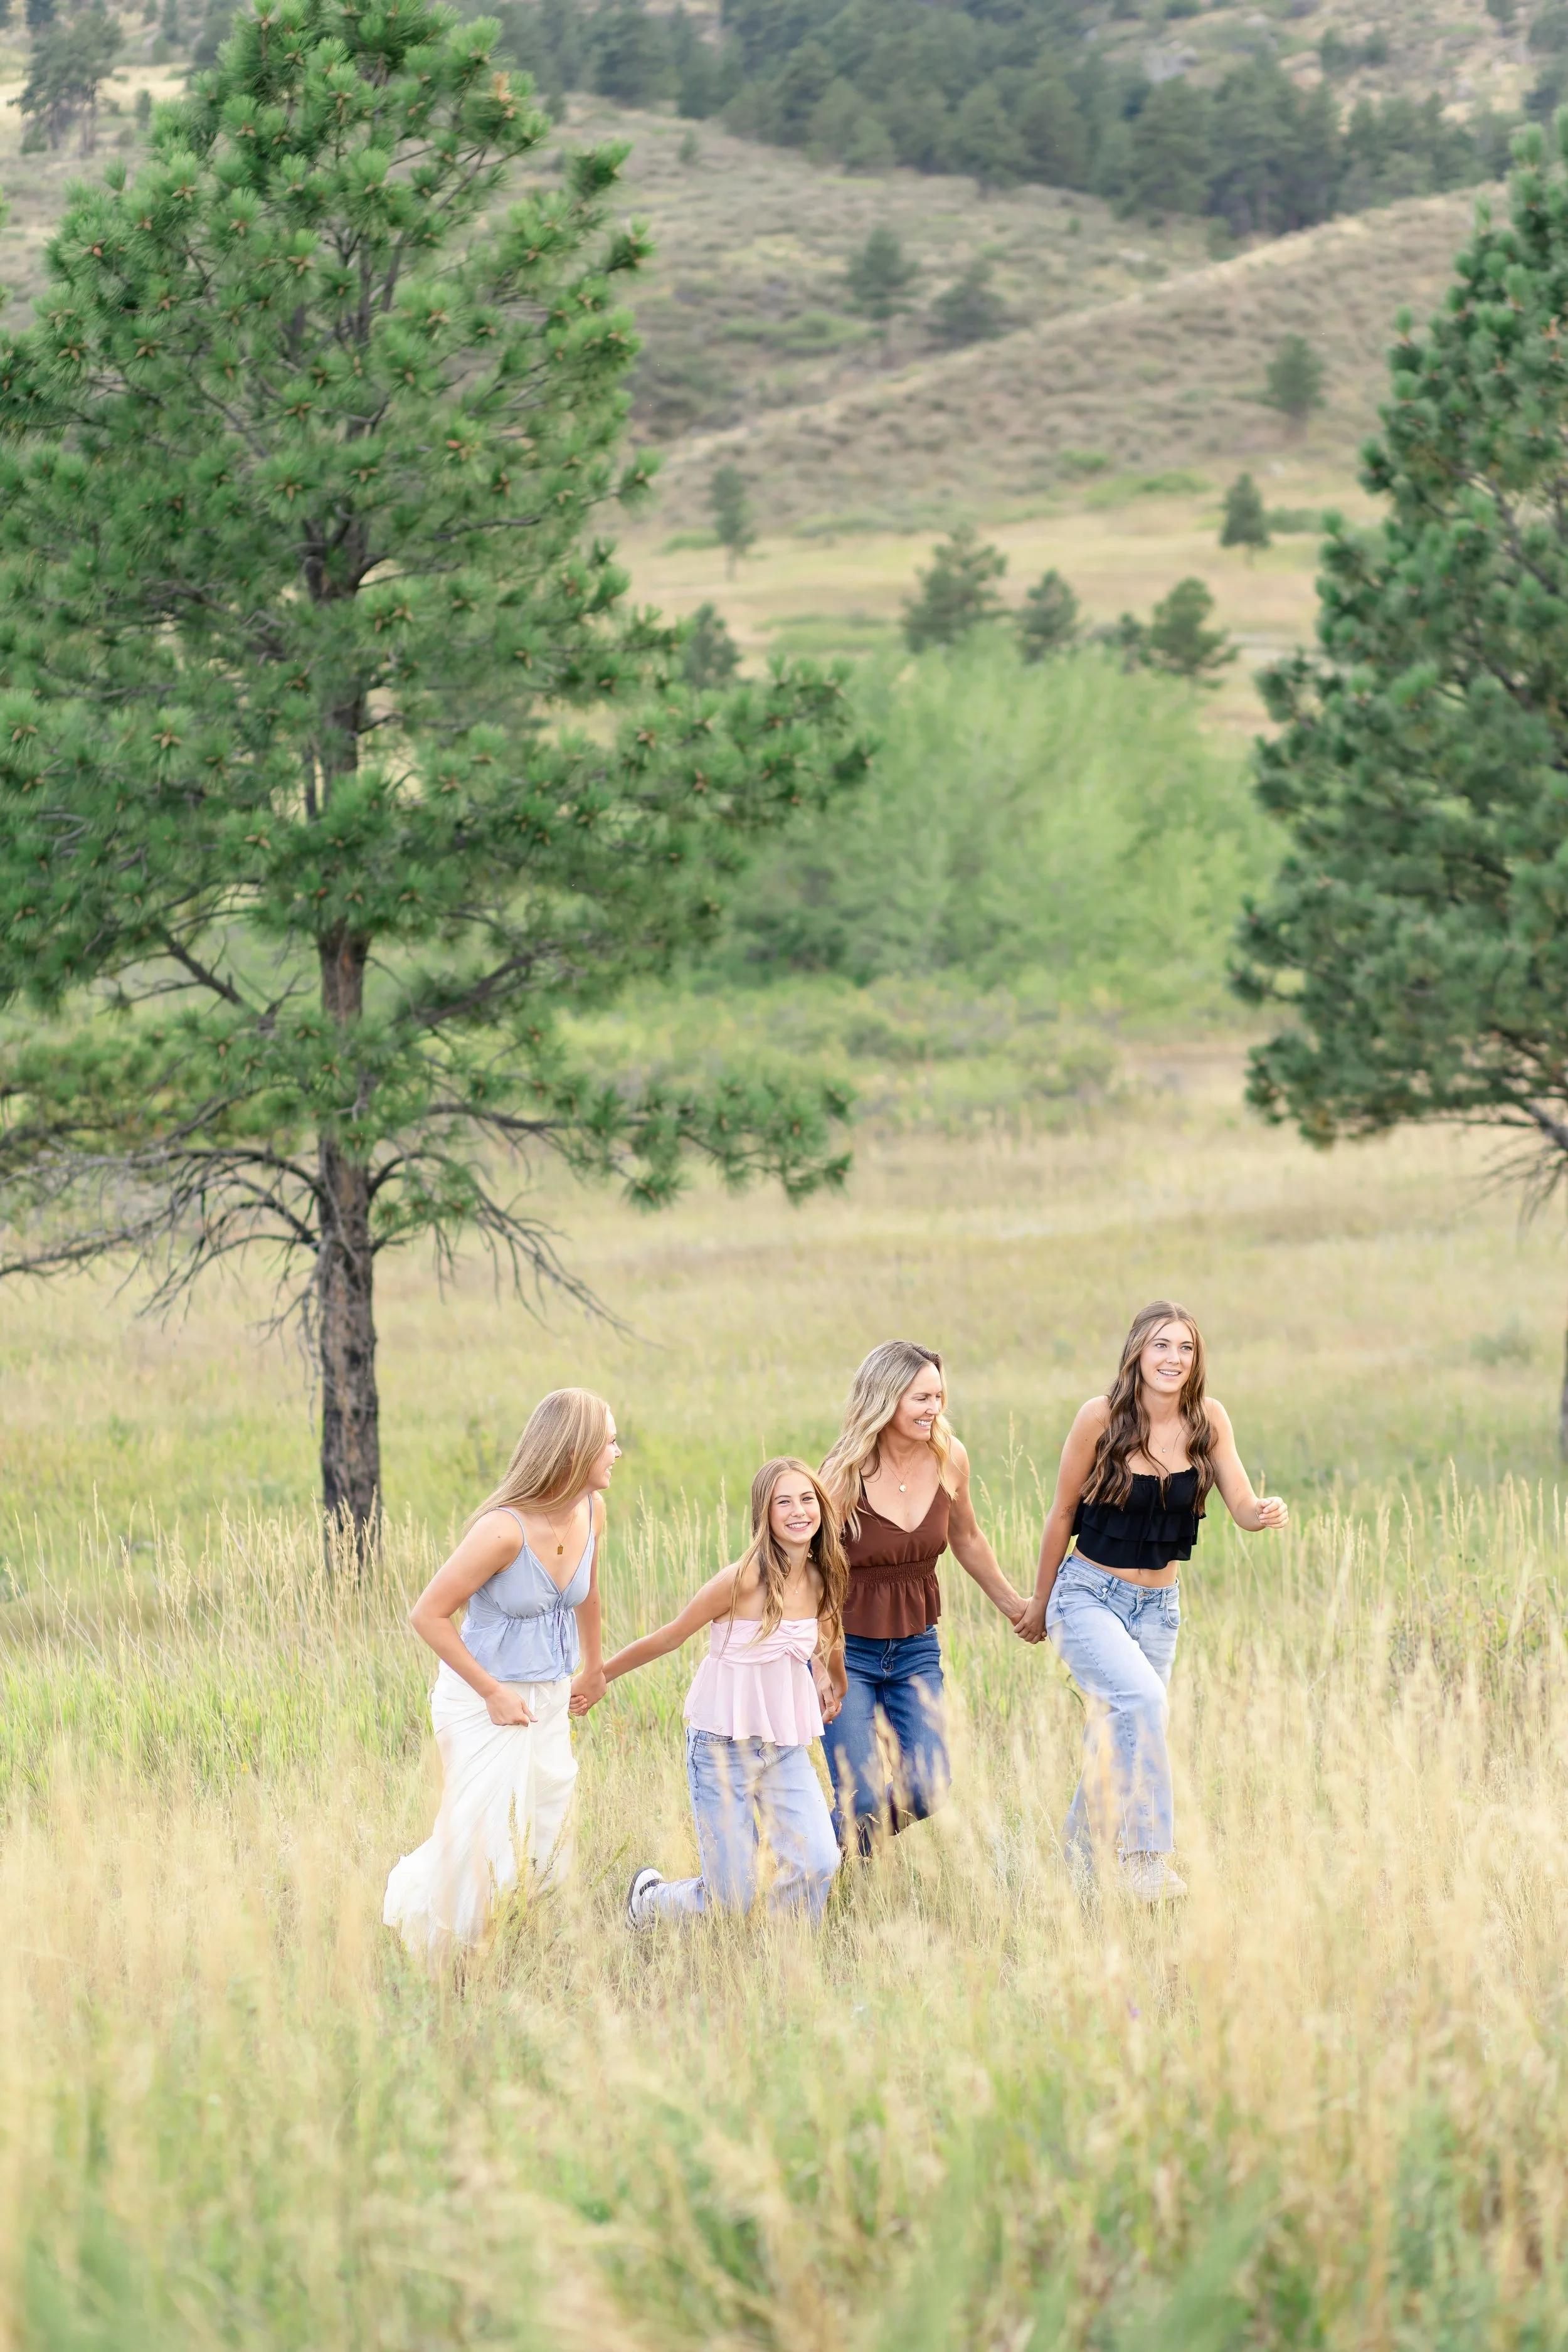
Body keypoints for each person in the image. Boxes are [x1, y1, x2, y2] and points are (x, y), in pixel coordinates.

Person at [1015, 1300, 1288, 1902]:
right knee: (1142, 1703)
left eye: (1186, 1348)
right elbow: (1062, 1513)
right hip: (1088, 1594)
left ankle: (1078, 1872)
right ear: (1138, 1351)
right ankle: (1147, 1860)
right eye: (1161, 1345)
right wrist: (1039, 1602)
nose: (1173, 1358)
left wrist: (1262, 1513)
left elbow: (1241, 1504)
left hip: (1160, 1608)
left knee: (1119, 1731)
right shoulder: (1100, 1417)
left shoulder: (1208, 1420)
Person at [383, 1387, 618, 1957]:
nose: (618, 1452)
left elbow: (586, 1596)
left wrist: (593, 1668)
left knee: (545, 1819)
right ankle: (446, 1954)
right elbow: (428, 1615)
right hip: (482, 1697)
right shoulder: (503, 1530)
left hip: (549, 1692)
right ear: (573, 1450)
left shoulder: (592, 1510)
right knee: (484, 1836)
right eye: (608, 1441)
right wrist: (491, 1692)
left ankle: (519, 1944)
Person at [575, 1457, 846, 1929]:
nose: (799, 1511)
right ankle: (649, 1901)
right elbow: (671, 1636)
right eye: (784, 1501)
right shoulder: (741, 1580)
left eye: (807, 1499)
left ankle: (784, 1955)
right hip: (720, 1748)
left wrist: (828, 1679)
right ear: (764, 1513)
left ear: (821, 1506)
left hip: (782, 1746)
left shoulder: (820, 1580)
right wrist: (600, 1675)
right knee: (731, 1899)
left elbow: (823, 1639)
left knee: (819, 1860)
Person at [817, 1340, 1024, 1857]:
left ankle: (816, 1850)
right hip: (849, 1653)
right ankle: (821, 1864)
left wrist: (1016, 1607)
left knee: (930, 1788)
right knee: (861, 1797)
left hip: (915, 1648)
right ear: (885, 1401)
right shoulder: (844, 1473)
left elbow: (968, 1538)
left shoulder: (950, 1457)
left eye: (938, 1397)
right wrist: (822, 1662)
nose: (934, 1409)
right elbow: (812, 1571)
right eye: (920, 1399)